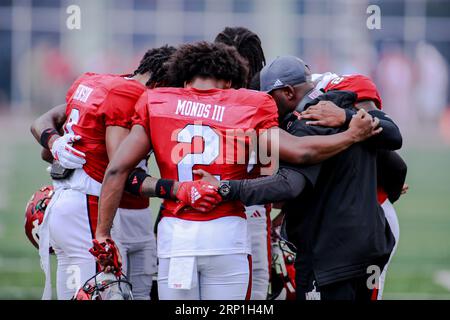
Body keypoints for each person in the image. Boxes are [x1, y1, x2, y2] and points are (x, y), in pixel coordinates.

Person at [196, 55, 403, 300]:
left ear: (287, 92)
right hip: (369, 247)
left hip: (329, 257)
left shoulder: (307, 120)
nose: (266, 108)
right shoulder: (347, 107)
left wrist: (226, 188)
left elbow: (290, 183)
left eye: (268, 100)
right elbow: (396, 161)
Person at [29, 46, 181, 300]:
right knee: (103, 292)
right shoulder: (129, 94)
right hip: (89, 205)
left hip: (69, 202)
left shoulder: (95, 81)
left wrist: (54, 143)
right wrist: (175, 189)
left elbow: (47, 139)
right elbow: (119, 169)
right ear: (162, 82)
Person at [304, 72, 408, 298]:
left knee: (368, 288)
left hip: (371, 219)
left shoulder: (355, 109)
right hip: (344, 220)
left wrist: (345, 116)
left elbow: (395, 153)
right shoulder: (312, 94)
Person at [215, 26, 271, 300]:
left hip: (254, 210)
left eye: (242, 65)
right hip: (204, 208)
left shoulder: (267, 99)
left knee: (255, 291)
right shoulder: (193, 95)